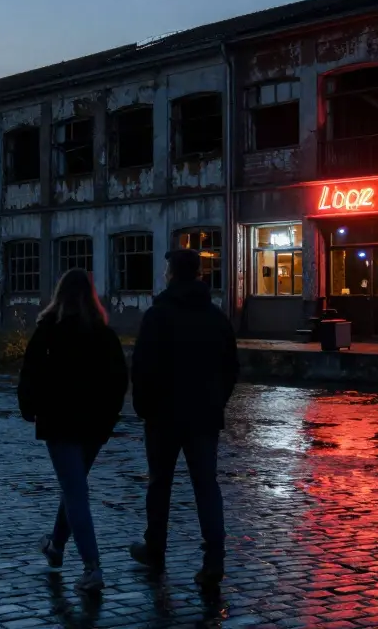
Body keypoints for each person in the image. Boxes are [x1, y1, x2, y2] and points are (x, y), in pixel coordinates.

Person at [128, 248, 239, 587]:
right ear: (199, 275)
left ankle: (156, 547)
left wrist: (145, 408)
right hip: (204, 416)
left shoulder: (157, 316)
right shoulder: (216, 317)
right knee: (206, 486)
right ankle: (214, 558)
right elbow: (231, 368)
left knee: (159, 483)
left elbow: (141, 369)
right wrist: (216, 400)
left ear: (172, 274)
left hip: (163, 417)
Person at [17, 268, 129, 593]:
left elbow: (30, 374)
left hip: (59, 423)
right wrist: (110, 419)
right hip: (94, 426)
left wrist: (29, 408)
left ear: (59, 294)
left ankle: (92, 567)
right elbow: (119, 380)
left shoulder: (48, 332)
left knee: (75, 491)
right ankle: (55, 546)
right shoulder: (104, 335)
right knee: (74, 486)